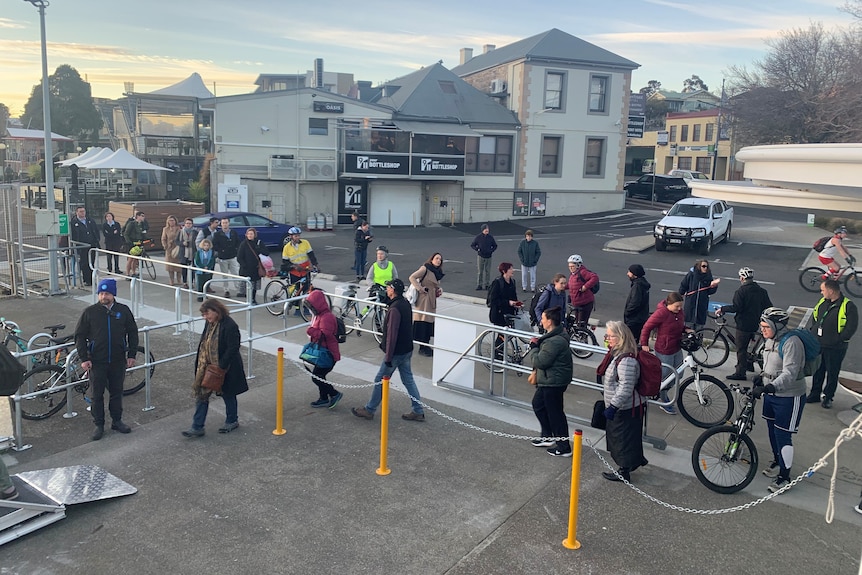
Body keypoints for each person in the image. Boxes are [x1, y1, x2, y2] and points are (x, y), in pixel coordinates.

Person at [352, 278, 425, 422]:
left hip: (396, 353)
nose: (386, 290)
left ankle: (369, 410)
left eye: (388, 288)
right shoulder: (404, 304)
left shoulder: (394, 309)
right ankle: (418, 410)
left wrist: (388, 357)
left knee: (380, 380)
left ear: (393, 290)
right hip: (406, 350)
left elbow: (392, 334)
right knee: (408, 380)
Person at [74, 278, 138, 441]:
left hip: (118, 360)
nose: (104, 296)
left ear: (113, 294)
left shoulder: (123, 311)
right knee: (97, 394)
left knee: (117, 392)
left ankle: (117, 421)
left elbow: (132, 332)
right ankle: (99, 424)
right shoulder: (90, 312)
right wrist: (84, 358)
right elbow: (80, 336)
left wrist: (131, 354)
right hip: (97, 361)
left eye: (107, 293)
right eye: (101, 293)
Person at [753, 307, 807, 493]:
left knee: (783, 435)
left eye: (765, 326)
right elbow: (770, 365)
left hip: (789, 397)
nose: (762, 329)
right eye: (761, 326)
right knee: (772, 431)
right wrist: (761, 377)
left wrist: (771, 386)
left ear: (776, 325)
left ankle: (785, 476)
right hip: (771, 393)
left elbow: (790, 373)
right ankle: (778, 460)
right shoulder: (770, 339)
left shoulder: (792, 342)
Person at [182, 299, 248, 437]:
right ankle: (197, 426)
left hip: (226, 368)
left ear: (216, 310)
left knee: (228, 394)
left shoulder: (230, 325)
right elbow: (205, 342)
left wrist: (221, 366)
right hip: (207, 366)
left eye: (207, 314)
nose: (205, 317)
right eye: (204, 315)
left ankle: (232, 420)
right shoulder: (211, 323)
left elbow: (233, 348)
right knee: (202, 395)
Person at [599, 320, 648, 482]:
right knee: (628, 438)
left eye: (610, 336)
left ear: (620, 338)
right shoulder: (620, 354)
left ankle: (624, 470)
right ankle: (634, 461)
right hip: (628, 407)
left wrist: (613, 406)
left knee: (621, 440)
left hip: (625, 408)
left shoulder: (626, 360)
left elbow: (626, 387)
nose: (607, 338)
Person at [528, 306, 574, 457]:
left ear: (549, 322)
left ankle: (563, 446)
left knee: (556, 414)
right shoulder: (554, 337)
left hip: (553, 382)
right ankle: (547, 436)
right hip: (549, 380)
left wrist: (534, 348)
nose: (541, 320)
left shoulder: (553, 342)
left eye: (543, 318)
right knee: (538, 405)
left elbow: (541, 361)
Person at [808, 279, 858, 408]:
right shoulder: (823, 302)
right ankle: (815, 393)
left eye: (823, 290)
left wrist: (838, 339)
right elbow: (815, 317)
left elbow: (851, 327)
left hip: (835, 347)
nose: (821, 292)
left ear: (831, 291)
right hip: (820, 344)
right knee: (818, 370)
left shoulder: (848, 306)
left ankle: (828, 397)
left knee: (832, 372)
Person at [717, 267, 773, 381]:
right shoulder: (762, 291)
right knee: (748, 345)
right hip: (755, 323)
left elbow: (736, 307)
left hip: (743, 324)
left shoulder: (740, 292)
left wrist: (722, 309)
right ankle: (749, 364)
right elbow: (768, 307)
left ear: (742, 278)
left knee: (741, 349)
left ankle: (740, 373)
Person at [640, 292, 688, 415]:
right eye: (677, 306)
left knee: (679, 373)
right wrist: (644, 343)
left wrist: (685, 329)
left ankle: (663, 391)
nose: (679, 309)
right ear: (669, 304)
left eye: (680, 306)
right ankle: (662, 396)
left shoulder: (679, 313)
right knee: (665, 375)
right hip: (664, 349)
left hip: (677, 347)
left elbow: (680, 324)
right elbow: (646, 327)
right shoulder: (661, 313)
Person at [305, 289, 343, 408]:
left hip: (328, 354)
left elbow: (324, 334)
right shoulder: (322, 315)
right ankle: (323, 398)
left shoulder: (326, 317)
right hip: (325, 353)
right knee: (320, 375)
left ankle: (334, 394)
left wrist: (311, 331)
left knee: (317, 377)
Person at [409, 252, 444, 357]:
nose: (438, 260)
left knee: (429, 322)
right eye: (436, 258)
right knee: (423, 322)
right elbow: (412, 277)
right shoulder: (425, 269)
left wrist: (439, 289)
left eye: (440, 259)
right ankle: (422, 346)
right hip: (424, 300)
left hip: (432, 299)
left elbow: (436, 284)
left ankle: (426, 344)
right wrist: (420, 289)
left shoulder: (438, 272)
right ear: (431, 259)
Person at [679, 259, 720, 330]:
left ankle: (698, 340)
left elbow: (710, 291)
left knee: (699, 328)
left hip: (702, 306)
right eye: (703, 266)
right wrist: (680, 294)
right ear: (699, 267)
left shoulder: (708, 276)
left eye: (707, 266)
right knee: (688, 326)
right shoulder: (691, 275)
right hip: (690, 304)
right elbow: (684, 285)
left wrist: (714, 286)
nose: (705, 268)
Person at [281, 226, 319, 300]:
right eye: (296, 236)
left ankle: (305, 307)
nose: (298, 237)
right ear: (291, 236)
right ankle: (297, 308)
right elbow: (285, 262)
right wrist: (294, 266)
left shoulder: (305, 243)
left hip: (305, 269)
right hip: (294, 271)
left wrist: (316, 265)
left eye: (299, 235)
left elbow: (311, 255)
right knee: (295, 291)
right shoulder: (287, 247)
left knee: (307, 288)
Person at [70, 206, 101, 287]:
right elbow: (73, 235)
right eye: (80, 211)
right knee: (84, 263)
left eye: (83, 211)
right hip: (82, 246)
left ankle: (91, 279)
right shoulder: (73, 223)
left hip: (92, 245)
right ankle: (86, 280)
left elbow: (96, 230)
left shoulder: (90, 220)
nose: (83, 213)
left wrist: (97, 240)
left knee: (91, 262)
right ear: (77, 212)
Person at [237, 227, 269, 305]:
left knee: (255, 286)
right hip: (247, 269)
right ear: (246, 235)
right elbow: (239, 257)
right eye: (249, 234)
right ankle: (249, 299)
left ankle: (253, 299)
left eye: (252, 234)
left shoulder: (259, 242)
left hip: (257, 268)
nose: (250, 235)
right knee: (248, 286)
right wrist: (244, 265)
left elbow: (267, 253)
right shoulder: (244, 244)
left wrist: (259, 249)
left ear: (255, 235)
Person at [212, 217, 242, 298]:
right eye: (223, 223)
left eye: (226, 222)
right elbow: (214, 245)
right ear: (221, 224)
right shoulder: (217, 234)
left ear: (229, 223)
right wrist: (221, 250)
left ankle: (238, 290)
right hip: (223, 257)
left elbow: (238, 242)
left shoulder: (233, 232)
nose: (225, 224)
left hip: (233, 256)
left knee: (235, 273)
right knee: (224, 275)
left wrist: (236, 250)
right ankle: (226, 290)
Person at [566, 254, 599, 325]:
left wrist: (585, 287)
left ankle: (584, 335)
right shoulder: (573, 274)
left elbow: (595, 277)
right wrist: (561, 286)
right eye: (569, 266)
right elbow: (572, 285)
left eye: (572, 266)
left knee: (581, 324)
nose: (570, 268)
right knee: (578, 323)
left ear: (578, 265)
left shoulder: (583, 272)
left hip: (585, 303)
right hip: (577, 304)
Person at [623, 264, 651, 341]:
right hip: (640, 318)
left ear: (635, 274)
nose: (627, 274)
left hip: (634, 319)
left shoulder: (637, 286)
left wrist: (627, 312)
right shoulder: (643, 284)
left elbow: (635, 302)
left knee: (629, 341)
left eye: (629, 272)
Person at [470, 224, 497, 290]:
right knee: (480, 271)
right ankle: (479, 284)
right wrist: (477, 249)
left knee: (488, 271)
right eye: (485, 229)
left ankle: (487, 284)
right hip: (480, 256)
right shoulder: (478, 237)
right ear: (482, 230)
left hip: (489, 256)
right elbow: (472, 245)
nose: (487, 230)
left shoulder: (490, 237)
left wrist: (491, 250)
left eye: (487, 229)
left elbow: (495, 245)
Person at [161, 215, 183, 286]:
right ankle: (171, 280)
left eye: (172, 220)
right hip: (169, 249)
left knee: (179, 265)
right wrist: (165, 246)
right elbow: (163, 238)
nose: (171, 222)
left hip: (177, 248)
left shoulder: (179, 228)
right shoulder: (165, 229)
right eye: (170, 220)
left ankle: (179, 279)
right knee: (170, 266)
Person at [123, 211, 146, 278]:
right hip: (131, 243)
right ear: (138, 216)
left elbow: (143, 234)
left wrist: (148, 239)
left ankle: (133, 272)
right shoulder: (131, 224)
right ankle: (127, 274)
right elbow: (126, 234)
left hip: (138, 243)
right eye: (142, 216)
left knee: (136, 259)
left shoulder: (141, 224)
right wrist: (129, 242)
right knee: (130, 259)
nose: (143, 217)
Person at [178, 217, 197, 289]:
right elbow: (176, 241)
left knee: (193, 268)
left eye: (190, 223)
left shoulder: (195, 232)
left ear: (192, 224)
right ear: (184, 224)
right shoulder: (180, 232)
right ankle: (185, 282)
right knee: (184, 268)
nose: (188, 225)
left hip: (192, 252)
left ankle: (192, 282)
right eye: (187, 223)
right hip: (184, 253)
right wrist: (183, 243)